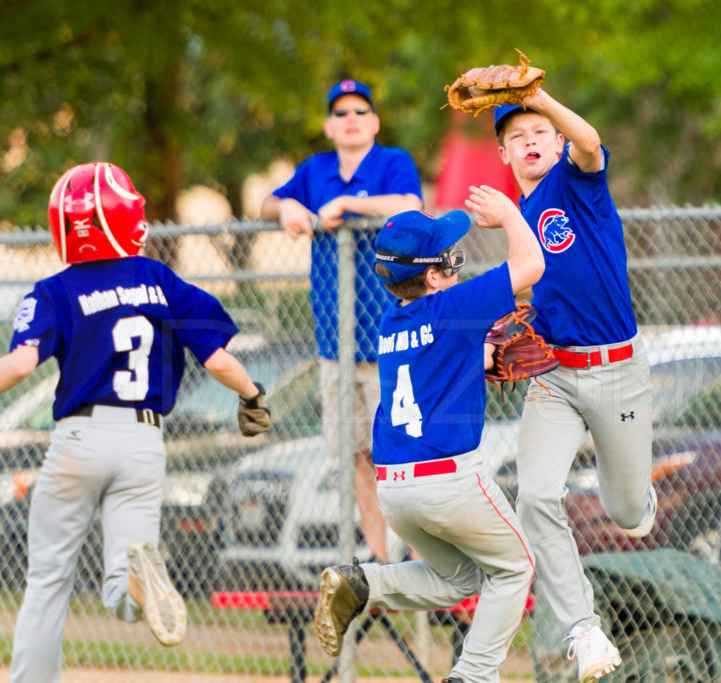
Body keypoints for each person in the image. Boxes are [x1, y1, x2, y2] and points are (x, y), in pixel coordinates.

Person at [0, 162, 271, 683]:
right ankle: (139, 582)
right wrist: (252, 394)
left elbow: (22, 362)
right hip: (144, 440)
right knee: (122, 588)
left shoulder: (54, 290)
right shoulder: (158, 279)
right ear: (128, 219)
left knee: (48, 580)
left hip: (80, 438)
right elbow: (217, 358)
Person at [313, 188, 544, 683]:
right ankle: (475, 675)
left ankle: (362, 583)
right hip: (448, 480)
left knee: (457, 578)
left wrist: (481, 358)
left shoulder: (392, 322)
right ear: (434, 276)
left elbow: (438, 367)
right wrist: (507, 215)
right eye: (450, 259)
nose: (457, 266)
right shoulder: (452, 307)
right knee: (516, 568)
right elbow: (531, 263)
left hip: (395, 488)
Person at [492, 89, 656, 682]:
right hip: (555, 376)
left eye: (539, 131)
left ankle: (638, 492)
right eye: (516, 135)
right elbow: (526, 294)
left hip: (617, 372)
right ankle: (585, 632)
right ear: (505, 154)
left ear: (556, 143)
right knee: (534, 497)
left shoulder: (577, 182)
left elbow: (589, 143)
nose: (530, 140)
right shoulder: (516, 211)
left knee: (628, 511)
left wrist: (535, 96)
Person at [260, 79, 423, 562]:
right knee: (357, 456)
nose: (351, 118)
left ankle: (419, 554)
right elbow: (266, 202)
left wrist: (350, 205)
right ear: (330, 125)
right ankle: (382, 559)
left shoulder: (392, 164)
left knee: (401, 452)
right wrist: (288, 205)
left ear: (373, 121)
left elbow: (410, 206)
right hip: (336, 340)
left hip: (390, 336)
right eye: (341, 112)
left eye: (360, 110)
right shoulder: (315, 170)